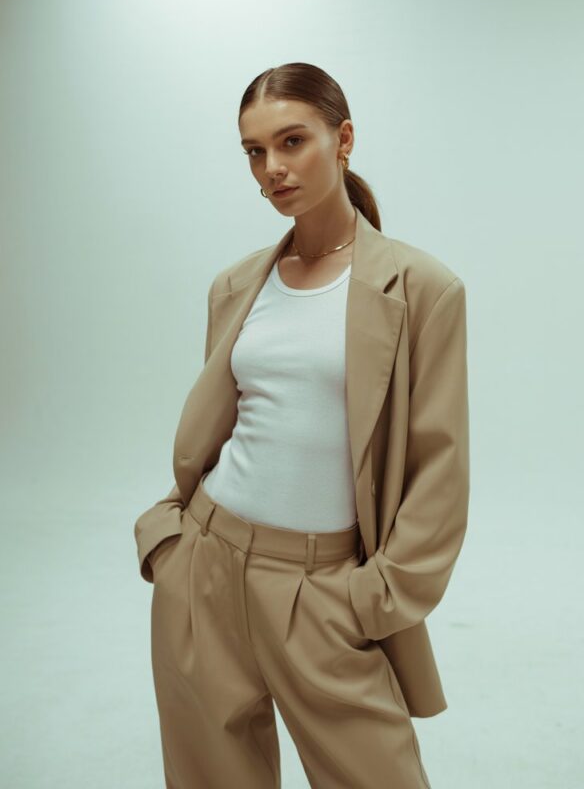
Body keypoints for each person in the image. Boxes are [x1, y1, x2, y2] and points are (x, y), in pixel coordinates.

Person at [133, 62, 470, 788]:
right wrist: (170, 545)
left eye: (292, 141)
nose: (272, 169)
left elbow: (439, 469)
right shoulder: (236, 285)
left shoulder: (423, 289)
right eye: (254, 151)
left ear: (343, 139)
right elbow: (224, 427)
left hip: (324, 593)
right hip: (203, 571)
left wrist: (370, 600)